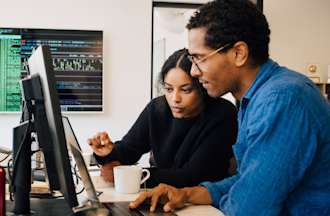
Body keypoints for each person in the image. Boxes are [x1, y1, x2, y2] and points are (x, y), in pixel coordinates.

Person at [129, 0, 330, 215]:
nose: (195, 72)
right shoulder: (256, 98)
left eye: (199, 59)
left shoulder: (282, 100)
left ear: (239, 53)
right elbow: (247, 180)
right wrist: (186, 194)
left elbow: (249, 208)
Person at [88, 48, 238, 188]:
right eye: (168, 89)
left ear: (202, 88)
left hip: (206, 203)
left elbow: (193, 176)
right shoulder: (157, 108)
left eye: (186, 90)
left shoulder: (223, 114)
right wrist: (108, 153)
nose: (175, 98)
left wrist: (131, 176)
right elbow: (129, 149)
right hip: (165, 196)